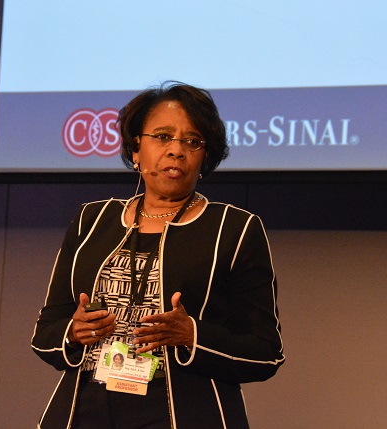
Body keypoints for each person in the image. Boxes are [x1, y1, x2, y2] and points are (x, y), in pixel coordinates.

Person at [31, 81, 284, 429]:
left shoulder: (234, 229)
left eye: (192, 141)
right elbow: (44, 335)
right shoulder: (92, 221)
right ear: (136, 149)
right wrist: (74, 331)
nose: (176, 150)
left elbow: (266, 354)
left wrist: (191, 335)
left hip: (185, 411)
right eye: (163, 137)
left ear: (205, 157)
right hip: (85, 409)